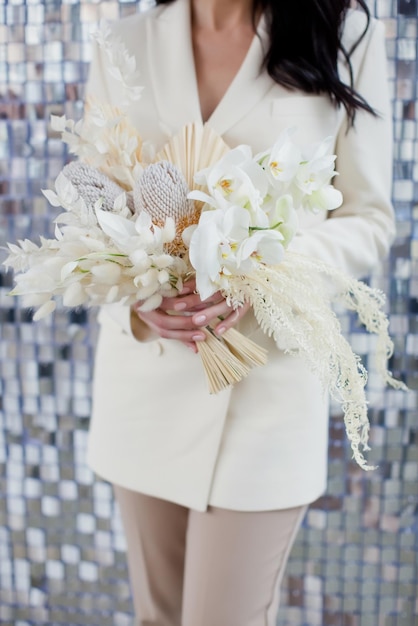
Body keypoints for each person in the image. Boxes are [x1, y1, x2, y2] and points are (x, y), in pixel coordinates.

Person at [85, 0, 395, 624]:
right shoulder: (125, 42)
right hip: (146, 384)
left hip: (266, 391)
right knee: (160, 618)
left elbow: (370, 221)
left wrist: (262, 270)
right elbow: (92, 213)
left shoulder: (344, 32)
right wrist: (142, 305)